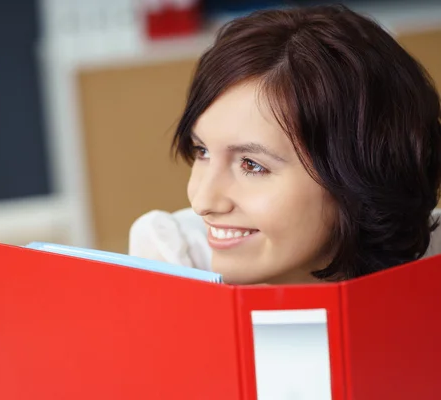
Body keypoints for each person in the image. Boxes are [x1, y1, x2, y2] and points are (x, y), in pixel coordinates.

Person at [129, 4, 441, 285]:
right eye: (202, 151)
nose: (203, 201)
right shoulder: (174, 258)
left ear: (363, 172)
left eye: (251, 164)